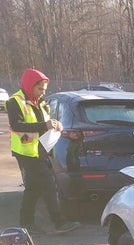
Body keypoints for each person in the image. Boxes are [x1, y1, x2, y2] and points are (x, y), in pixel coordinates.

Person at [7, 68, 80, 235]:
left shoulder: (41, 102)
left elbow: (46, 125)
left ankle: (26, 223)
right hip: (26, 152)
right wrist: (44, 126)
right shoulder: (14, 102)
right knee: (48, 185)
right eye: (39, 89)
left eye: (44, 90)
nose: (42, 93)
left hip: (41, 150)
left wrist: (58, 127)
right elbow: (17, 125)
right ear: (29, 85)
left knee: (33, 188)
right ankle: (59, 222)